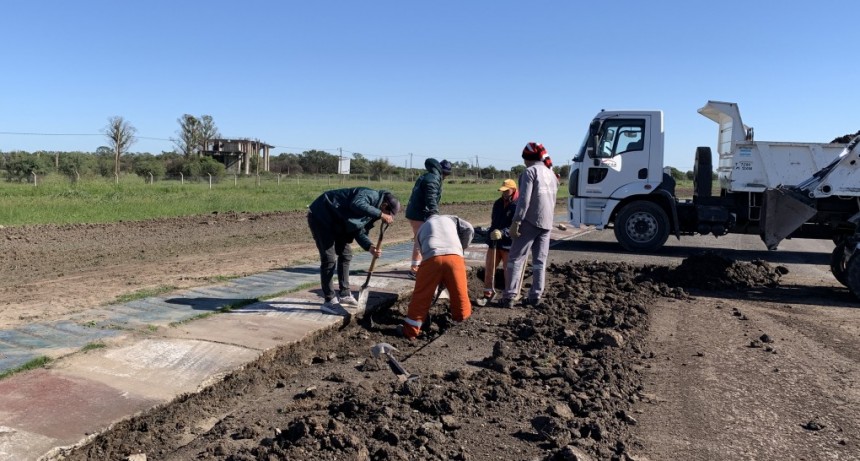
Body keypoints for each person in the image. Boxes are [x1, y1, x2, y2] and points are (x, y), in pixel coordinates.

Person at [307, 187, 400, 314]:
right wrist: (381, 214)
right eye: (387, 213)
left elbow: (359, 230)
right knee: (329, 259)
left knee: (346, 254)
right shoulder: (371, 195)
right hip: (322, 216)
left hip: (338, 222)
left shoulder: (373, 213)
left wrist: (370, 247)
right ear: (384, 205)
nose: (385, 218)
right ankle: (329, 300)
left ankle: (344, 294)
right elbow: (356, 204)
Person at [499, 142, 559, 308]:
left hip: (530, 221)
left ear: (528, 158)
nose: (524, 162)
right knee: (540, 260)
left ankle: (510, 296)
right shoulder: (551, 174)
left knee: (515, 259)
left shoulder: (530, 172)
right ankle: (535, 295)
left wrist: (516, 221)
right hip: (547, 222)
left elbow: (524, 200)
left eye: (524, 158)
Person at [398, 214, 474, 339]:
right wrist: (461, 247)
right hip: (455, 258)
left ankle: (410, 331)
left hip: (431, 258)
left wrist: (437, 277)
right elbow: (469, 228)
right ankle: (463, 325)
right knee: (460, 293)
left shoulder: (421, 230)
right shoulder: (452, 219)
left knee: (421, 295)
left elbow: (425, 254)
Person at [404, 158, 453, 279]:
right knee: (420, 241)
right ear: (442, 171)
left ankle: (420, 266)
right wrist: (434, 214)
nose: (445, 177)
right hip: (419, 214)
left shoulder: (429, 176)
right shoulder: (433, 179)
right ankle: (415, 270)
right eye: (446, 174)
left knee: (421, 240)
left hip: (416, 212)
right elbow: (431, 198)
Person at [482, 179, 518, 301]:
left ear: (513, 190)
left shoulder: (518, 205)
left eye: (507, 191)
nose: (504, 193)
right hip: (494, 242)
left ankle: (508, 295)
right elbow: (494, 222)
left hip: (509, 243)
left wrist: (503, 233)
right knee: (489, 267)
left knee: (508, 270)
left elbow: (517, 225)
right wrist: (491, 235)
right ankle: (488, 293)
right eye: (503, 191)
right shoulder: (498, 203)